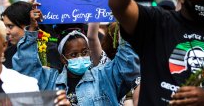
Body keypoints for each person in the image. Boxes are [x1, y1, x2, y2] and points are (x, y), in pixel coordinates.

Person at [12, 7, 140, 105]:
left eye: (85, 52)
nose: (80, 57)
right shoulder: (49, 81)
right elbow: (26, 69)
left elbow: (127, 65)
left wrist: (124, 15)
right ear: (63, 58)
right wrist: (32, 30)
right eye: (73, 54)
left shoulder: (104, 76)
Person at [0, 1, 32, 68]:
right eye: (5, 26)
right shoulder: (6, 53)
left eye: (10, 26)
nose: (6, 32)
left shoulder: (47, 51)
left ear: (27, 25)